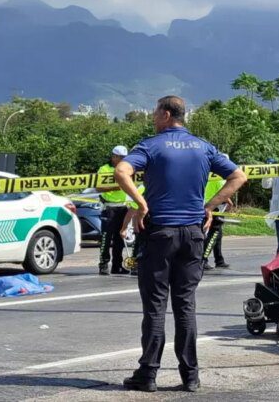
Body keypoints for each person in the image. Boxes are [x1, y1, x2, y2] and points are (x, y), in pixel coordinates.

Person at [114, 95, 247, 393]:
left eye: (154, 112)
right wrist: (210, 206)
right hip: (192, 232)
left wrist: (140, 202)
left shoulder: (150, 145)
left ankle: (147, 374)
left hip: (160, 233)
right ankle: (191, 376)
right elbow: (239, 176)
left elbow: (122, 171)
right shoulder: (203, 146)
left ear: (165, 113)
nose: (152, 117)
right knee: (185, 305)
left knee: (155, 306)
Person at [96, 145, 130, 275]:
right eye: (120, 158)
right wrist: (114, 188)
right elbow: (98, 188)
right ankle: (103, 264)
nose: (122, 160)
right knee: (106, 238)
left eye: (124, 158)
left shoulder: (126, 169)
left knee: (120, 239)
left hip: (123, 207)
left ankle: (117, 265)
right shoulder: (104, 169)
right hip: (109, 208)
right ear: (113, 157)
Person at [202, 165, 233, 270]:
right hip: (216, 207)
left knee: (217, 235)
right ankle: (203, 259)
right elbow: (223, 192)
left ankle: (219, 260)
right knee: (214, 234)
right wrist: (230, 203)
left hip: (207, 205)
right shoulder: (219, 177)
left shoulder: (209, 174)